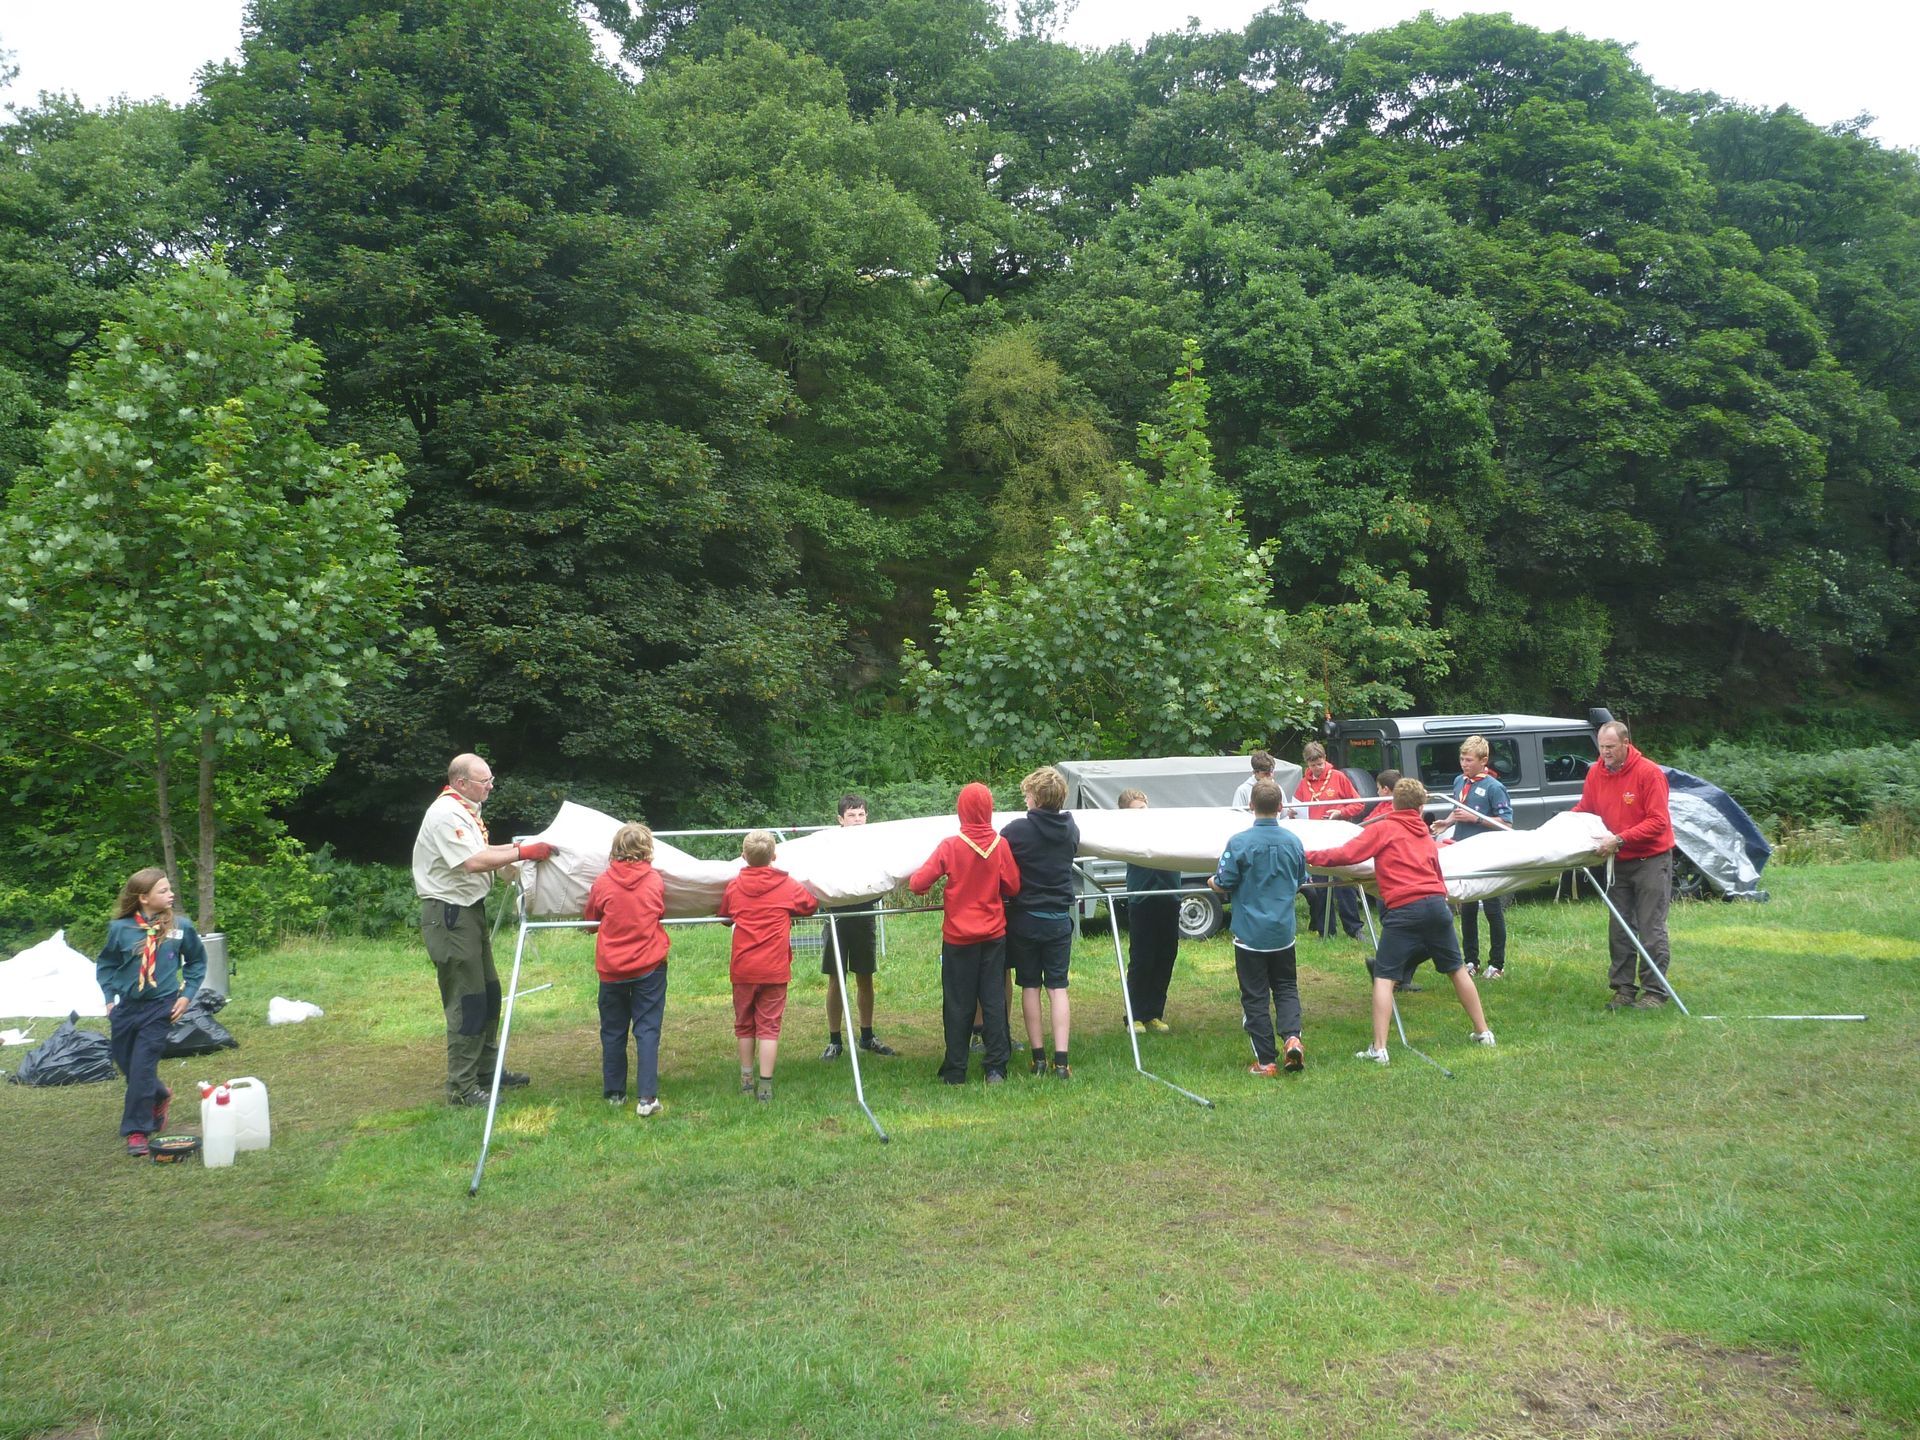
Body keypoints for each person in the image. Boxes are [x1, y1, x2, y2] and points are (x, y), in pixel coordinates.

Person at [1304, 778, 1495, 1065]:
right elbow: (1436, 872)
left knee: (1384, 976)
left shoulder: (1383, 828)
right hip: (1436, 906)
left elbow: (1346, 855)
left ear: (1393, 803)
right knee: (1456, 969)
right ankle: (1484, 1033)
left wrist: (1306, 856)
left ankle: (1379, 1049)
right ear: (1420, 808)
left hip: (1404, 909)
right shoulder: (1425, 835)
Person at [412, 754, 554, 1106]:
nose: (490, 785)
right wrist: (521, 851)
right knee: (468, 999)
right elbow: (473, 861)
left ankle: (487, 1071)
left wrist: (521, 852)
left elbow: (484, 850)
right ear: (462, 783)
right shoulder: (446, 814)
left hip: (469, 913)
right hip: (449, 916)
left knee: (489, 992)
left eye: (491, 779)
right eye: (484, 781)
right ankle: (461, 1088)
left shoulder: (466, 810)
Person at [909, 782, 1022, 1085]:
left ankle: (956, 1070)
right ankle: (996, 1067)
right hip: (993, 935)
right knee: (994, 1000)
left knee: (958, 1003)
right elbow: (1013, 886)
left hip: (958, 938)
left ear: (961, 810)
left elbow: (918, 884)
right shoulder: (1000, 845)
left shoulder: (950, 846)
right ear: (988, 810)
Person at [95, 867, 207, 1157]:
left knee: (143, 1067)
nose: (171, 895)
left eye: (170, 890)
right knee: (126, 1063)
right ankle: (159, 1094)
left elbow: (196, 962)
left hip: (161, 1007)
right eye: (163, 891)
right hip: (127, 1007)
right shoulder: (120, 929)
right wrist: (109, 997)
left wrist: (187, 995)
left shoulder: (180, 927)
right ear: (143, 897)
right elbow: (106, 964)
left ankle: (137, 1130)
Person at [1573, 720, 1677, 1010]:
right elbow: (1586, 810)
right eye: (1601, 747)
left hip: (1651, 860)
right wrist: (1563, 826)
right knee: (1619, 927)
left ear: (1625, 744)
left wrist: (1619, 839)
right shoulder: (1596, 772)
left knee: (1650, 927)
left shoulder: (1649, 773)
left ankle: (1655, 992)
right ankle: (1623, 989)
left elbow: (1658, 822)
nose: (1604, 753)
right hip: (1617, 862)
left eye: (1610, 747)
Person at [1209, 780, 1309, 1075]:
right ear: (1281, 807)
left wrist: (1211, 883)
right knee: (1287, 987)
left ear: (1251, 806)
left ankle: (1266, 1061)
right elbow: (1302, 878)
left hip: (1250, 935)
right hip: (1283, 932)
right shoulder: (1294, 841)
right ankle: (1292, 1037)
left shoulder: (1239, 842)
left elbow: (1224, 881)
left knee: (1255, 996)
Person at [718, 830, 819, 1102]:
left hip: (744, 968)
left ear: (743, 856)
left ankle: (746, 1078)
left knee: (744, 1024)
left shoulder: (734, 886)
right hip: (774, 969)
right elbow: (810, 905)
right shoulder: (788, 886)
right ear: (774, 856)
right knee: (769, 1026)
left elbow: (725, 917)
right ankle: (765, 1085)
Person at [583, 823, 671, 1116]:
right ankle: (647, 1098)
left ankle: (614, 1093)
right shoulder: (655, 880)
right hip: (649, 965)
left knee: (612, 1030)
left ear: (616, 849)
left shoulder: (603, 882)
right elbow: (659, 910)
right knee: (647, 1030)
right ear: (647, 849)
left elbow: (590, 919)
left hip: (612, 969)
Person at [1002, 766, 1082, 1079]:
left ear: (1035, 798)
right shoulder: (1071, 828)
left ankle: (1038, 1059)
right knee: (1058, 988)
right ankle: (1062, 1063)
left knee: (1031, 986)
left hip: (1026, 919)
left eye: (1026, 795)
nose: (1025, 800)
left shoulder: (1016, 830)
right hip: (1059, 919)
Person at [819, 794, 896, 1063]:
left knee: (865, 976)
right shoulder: (827, 844)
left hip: (864, 916)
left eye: (861, 814)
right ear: (841, 819)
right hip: (835, 918)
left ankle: (867, 1035)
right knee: (836, 979)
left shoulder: (874, 845)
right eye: (851, 815)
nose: (857, 820)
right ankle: (834, 1040)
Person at [1438, 736, 1514, 980]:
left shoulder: (1494, 787)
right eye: (1462, 759)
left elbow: (1507, 824)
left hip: (1486, 854)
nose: (1464, 764)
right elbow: (1458, 809)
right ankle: (1471, 960)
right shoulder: (1460, 781)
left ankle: (1497, 964)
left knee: (1492, 909)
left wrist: (1477, 820)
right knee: (1467, 908)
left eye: (1469, 760)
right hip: (1463, 851)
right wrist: (1446, 822)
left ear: (1484, 761)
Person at [1118, 788, 1181, 1034]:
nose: (1142, 814)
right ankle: (1133, 1015)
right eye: (1136, 811)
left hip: (1169, 896)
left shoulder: (1165, 826)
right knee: (1142, 958)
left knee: (1166, 955)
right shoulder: (1127, 834)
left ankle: (1154, 1013)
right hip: (1142, 898)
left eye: (1144, 808)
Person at [1293, 742, 1366, 939]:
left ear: (1325, 759)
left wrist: (1341, 812)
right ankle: (1326, 930)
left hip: (1338, 837)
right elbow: (1298, 808)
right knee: (1321, 886)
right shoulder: (1303, 783)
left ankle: (1354, 928)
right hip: (1316, 839)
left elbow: (1358, 804)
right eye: (1312, 764)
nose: (1317, 768)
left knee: (1344, 883)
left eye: (1320, 763)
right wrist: (1293, 813)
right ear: (1307, 763)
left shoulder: (1339, 777)